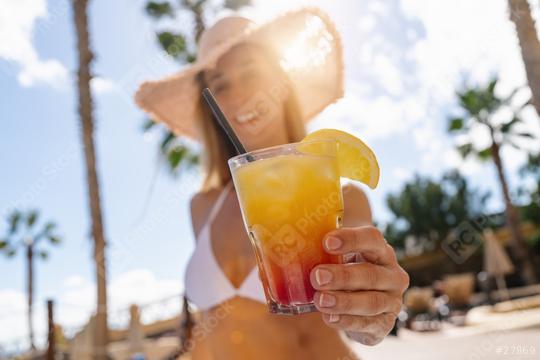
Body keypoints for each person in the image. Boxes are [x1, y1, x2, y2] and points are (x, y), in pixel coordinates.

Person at [135, 8, 409, 360]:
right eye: (221, 85)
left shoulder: (338, 197)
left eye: (251, 73)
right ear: (211, 106)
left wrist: (370, 315)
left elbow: (356, 313)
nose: (239, 95)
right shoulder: (202, 206)